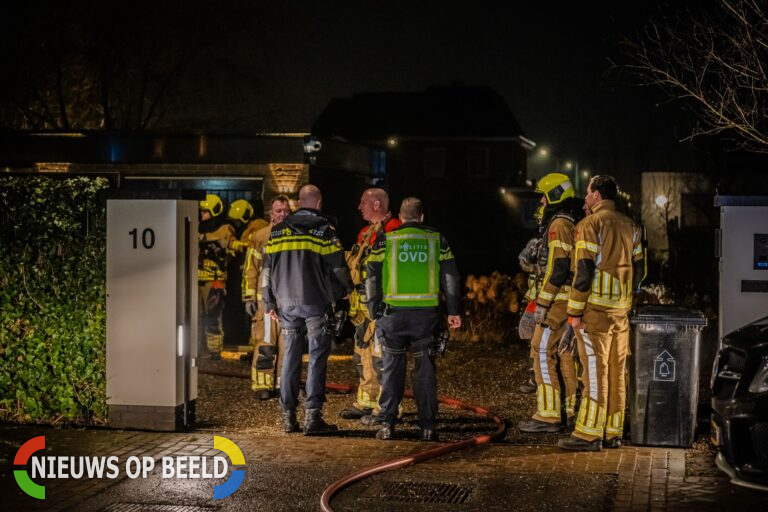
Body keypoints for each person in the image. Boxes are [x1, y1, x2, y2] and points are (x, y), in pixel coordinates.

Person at [558, 175, 645, 451]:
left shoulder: (589, 224)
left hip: (594, 311)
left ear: (596, 195)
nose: (585, 198)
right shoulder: (631, 225)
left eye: (587, 193)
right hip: (622, 311)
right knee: (618, 372)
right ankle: (613, 432)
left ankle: (589, 434)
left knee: (595, 371)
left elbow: (583, 272)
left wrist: (574, 312)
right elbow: (641, 270)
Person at [366, 197, 462, 441]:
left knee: (391, 370)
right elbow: (451, 277)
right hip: (425, 317)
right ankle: (428, 427)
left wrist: (372, 307)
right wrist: (453, 311)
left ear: (401, 215)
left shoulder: (386, 239)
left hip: (392, 316)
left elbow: (371, 276)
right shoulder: (436, 240)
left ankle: (387, 424)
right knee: (425, 372)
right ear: (421, 217)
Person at [261, 184, 353, 435]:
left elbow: (266, 271)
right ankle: (313, 418)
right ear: (319, 203)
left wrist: (268, 301)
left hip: (286, 305)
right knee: (316, 358)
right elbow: (338, 268)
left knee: (289, 358)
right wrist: (347, 292)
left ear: (299, 203)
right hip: (315, 303)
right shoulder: (323, 230)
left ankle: (288, 417)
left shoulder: (277, 232)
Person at [518, 173, 584, 433]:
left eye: (544, 196)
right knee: (565, 356)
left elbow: (558, 268)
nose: (541, 202)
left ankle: (548, 415)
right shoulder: (573, 218)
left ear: (554, 195)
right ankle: (567, 411)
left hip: (558, 301)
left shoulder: (559, 223)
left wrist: (543, 303)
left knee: (542, 351)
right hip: (569, 300)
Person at [340, 188, 402, 422]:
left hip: (380, 305)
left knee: (381, 358)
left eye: (363, 202)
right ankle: (367, 401)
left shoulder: (394, 230)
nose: (359, 207)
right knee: (361, 355)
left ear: (377, 205)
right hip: (361, 307)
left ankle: (388, 408)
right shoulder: (365, 233)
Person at [243, 195, 291, 400]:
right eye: (278, 210)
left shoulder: (294, 236)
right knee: (265, 344)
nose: (282, 214)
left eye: (285, 211)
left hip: (288, 300)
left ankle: (283, 384)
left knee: (287, 346)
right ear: (271, 213)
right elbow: (250, 269)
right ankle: (262, 384)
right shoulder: (260, 237)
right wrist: (248, 297)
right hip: (265, 300)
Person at [198, 194, 237, 360]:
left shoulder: (224, 228)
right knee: (196, 316)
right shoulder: (196, 227)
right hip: (196, 278)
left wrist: (209, 242)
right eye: (201, 210)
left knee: (213, 316)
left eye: (205, 211)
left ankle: (215, 350)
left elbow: (229, 248)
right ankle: (198, 349)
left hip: (215, 280)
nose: (202, 214)